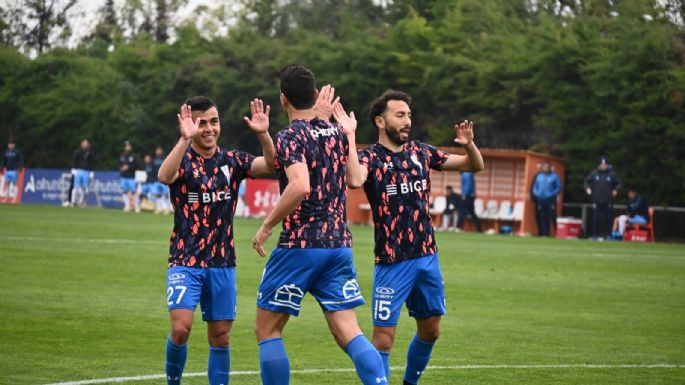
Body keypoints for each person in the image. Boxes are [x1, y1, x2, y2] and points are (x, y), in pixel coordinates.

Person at [251, 65, 387, 385]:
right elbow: (356, 179)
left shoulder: (289, 137)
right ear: (315, 95)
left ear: (283, 99)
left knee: (267, 329)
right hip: (338, 244)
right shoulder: (336, 132)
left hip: (300, 245)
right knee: (348, 332)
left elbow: (299, 186)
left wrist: (268, 225)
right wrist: (348, 133)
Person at [346, 89, 484, 385]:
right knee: (383, 340)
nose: (407, 120)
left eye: (409, 115)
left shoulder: (421, 152)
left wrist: (470, 145)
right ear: (380, 122)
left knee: (431, 331)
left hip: (427, 257)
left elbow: (474, 165)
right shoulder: (368, 158)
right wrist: (349, 135)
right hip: (392, 262)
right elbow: (355, 180)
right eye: (400, 115)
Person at [158, 96, 275, 385]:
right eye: (201, 123)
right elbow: (164, 175)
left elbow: (272, 165)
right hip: (185, 260)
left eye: (214, 121)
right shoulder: (183, 161)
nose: (209, 128)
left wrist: (264, 135)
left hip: (222, 263)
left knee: (221, 337)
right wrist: (184, 139)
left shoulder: (232, 161)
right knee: (181, 328)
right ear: (190, 125)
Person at [584, 156, 622, 240]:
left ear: (607, 165)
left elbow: (619, 183)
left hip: (608, 200)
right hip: (597, 200)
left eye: (605, 164)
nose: (603, 166)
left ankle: (609, 235)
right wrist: (587, 188)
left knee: (609, 219)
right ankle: (595, 235)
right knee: (596, 218)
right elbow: (586, 181)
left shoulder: (612, 174)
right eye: (602, 164)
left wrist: (615, 190)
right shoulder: (595, 173)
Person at [531, 161, 561, 236]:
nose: (545, 169)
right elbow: (535, 187)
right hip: (541, 199)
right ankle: (545, 234)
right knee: (543, 217)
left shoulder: (555, 176)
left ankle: (558, 232)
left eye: (547, 167)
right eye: (544, 167)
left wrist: (551, 194)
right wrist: (536, 193)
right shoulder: (539, 176)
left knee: (553, 216)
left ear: (550, 168)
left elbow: (558, 187)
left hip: (550, 200)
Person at [70, 139, 95, 207]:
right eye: (84, 143)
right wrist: (73, 169)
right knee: (76, 187)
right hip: (78, 171)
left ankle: (82, 202)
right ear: (81, 144)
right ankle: (73, 201)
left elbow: (91, 163)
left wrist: (91, 171)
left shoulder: (90, 153)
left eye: (86, 143)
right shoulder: (77, 152)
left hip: (86, 172)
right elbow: (74, 161)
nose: (85, 145)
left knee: (84, 188)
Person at [119, 141, 140, 213]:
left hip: (131, 177)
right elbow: (119, 165)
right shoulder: (122, 156)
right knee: (124, 191)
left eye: (129, 146)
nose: (127, 147)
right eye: (126, 146)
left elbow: (137, 165)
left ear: (131, 147)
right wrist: (121, 168)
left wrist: (128, 167)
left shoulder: (134, 156)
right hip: (123, 177)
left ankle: (136, 207)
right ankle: (127, 206)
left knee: (133, 192)